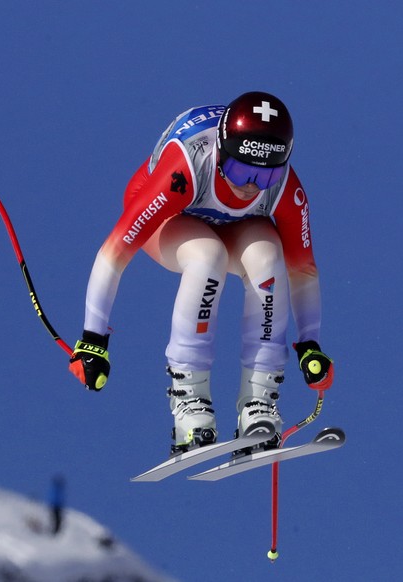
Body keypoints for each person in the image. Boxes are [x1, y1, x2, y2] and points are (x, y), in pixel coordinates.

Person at [68, 92, 334, 454]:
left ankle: (259, 403)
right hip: (172, 220)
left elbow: (303, 271)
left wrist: (310, 344)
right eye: (241, 169)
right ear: (221, 151)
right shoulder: (189, 165)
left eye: (265, 174)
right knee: (208, 256)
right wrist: (93, 338)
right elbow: (114, 251)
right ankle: (189, 403)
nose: (251, 185)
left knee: (268, 256)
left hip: (236, 226)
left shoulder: (286, 188)